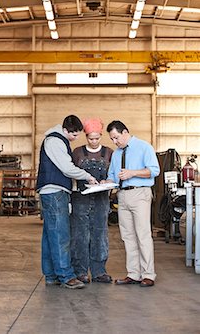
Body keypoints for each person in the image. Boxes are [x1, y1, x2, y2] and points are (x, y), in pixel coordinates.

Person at [36, 115, 98, 289]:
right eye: (75, 135)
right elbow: (67, 168)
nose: (75, 138)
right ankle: (66, 276)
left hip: (53, 191)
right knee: (61, 234)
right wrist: (87, 176)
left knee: (50, 236)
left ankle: (51, 275)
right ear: (65, 130)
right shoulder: (55, 141)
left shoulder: (58, 140)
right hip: (55, 192)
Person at [104, 120, 160, 287]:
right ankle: (133, 273)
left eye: (116, 137)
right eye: (112, 139)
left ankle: (148, 274)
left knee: (142, 234)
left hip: (140, 193)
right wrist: (104, 182)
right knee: (127, 236)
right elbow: (113, 176)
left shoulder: (144, 147)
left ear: (125, 132)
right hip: (122, 196)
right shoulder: (116, 154)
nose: (115, 142)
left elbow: (154, 170)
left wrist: (132, 173)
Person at [70, 118, 113, 284]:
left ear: (101, 135)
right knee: (80, 235)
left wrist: (107, 182)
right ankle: (80, 271)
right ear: (86, 136)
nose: (94, 141)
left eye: (97, 138)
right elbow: (71, 174)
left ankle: (99, 271)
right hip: (80, 199)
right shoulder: (77, 152)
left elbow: (113, 174)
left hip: (101, 199)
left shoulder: (109, 152)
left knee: (100, 234)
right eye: (90, 138)